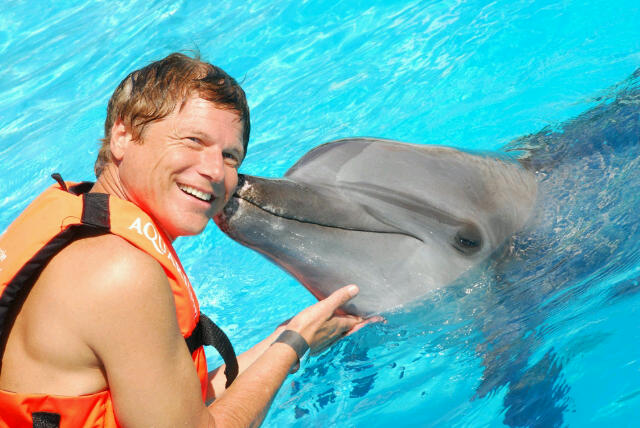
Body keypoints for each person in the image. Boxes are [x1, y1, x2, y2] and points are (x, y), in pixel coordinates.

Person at [0, 53, 368, 427]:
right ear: (123, 137)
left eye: (230, 156)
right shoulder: (119, 271)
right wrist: (293, 346)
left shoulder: (88, 227)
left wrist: (285, 336)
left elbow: (172, 409)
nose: (214, 171)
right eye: (193, 140)